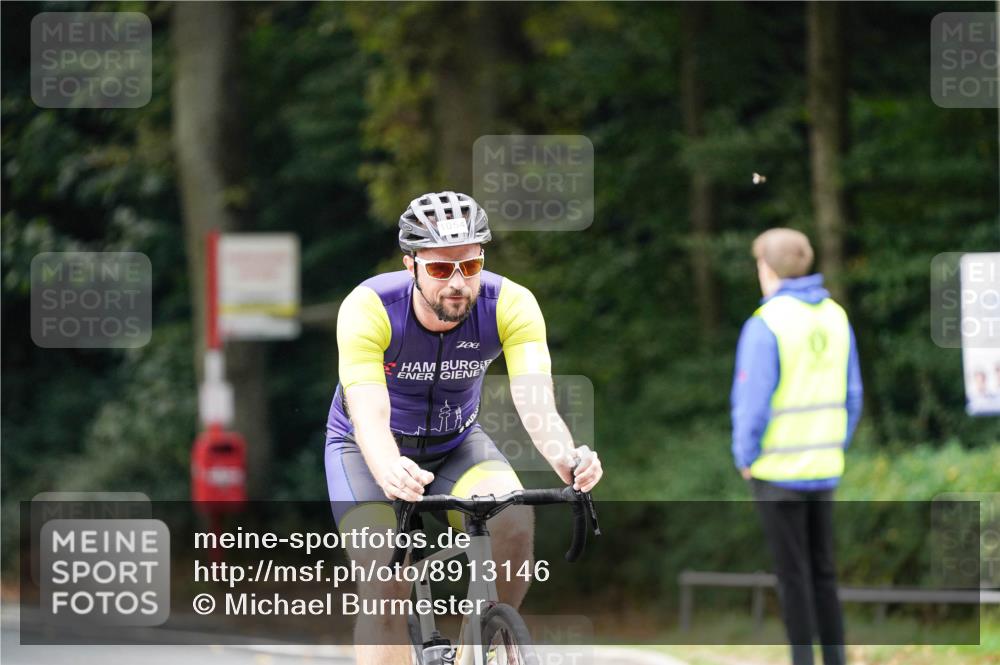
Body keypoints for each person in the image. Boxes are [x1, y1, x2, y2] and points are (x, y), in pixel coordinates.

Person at [325, 191, 603, 665]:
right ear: (410, 265)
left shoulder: (510, 304)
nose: (457, 283)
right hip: (366, 450)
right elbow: (368, 415)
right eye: (439, 269)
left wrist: (566, 456)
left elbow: (536, 403)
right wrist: (391, 468)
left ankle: (484, 648)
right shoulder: (369, 307)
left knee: (513, 522)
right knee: (386, 577)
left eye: (469, 267)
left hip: (457, 443)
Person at [731, 228, 863, 665]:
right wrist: (834, 444)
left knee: (793, 578)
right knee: (825, 574)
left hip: (777, 473)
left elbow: (753, 404)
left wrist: (745, 458)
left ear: (767, 268)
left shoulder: (766, 323)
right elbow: (853, 395)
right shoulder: (836, 315)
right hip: (825, 467)